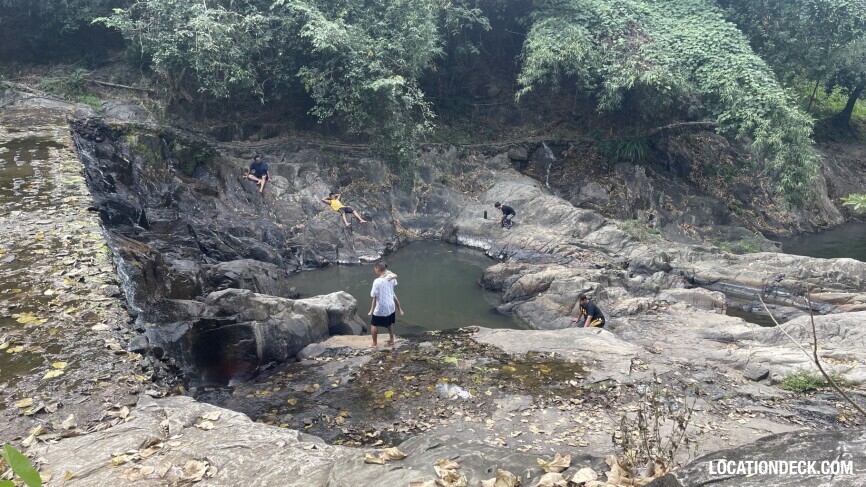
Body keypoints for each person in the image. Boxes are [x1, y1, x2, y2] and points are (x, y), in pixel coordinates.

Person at [368, 261, 404, 348]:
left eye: (375, 269)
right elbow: (392, 292)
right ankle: (392, 339)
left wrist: (371, 310)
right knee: (389, 323)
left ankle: (374, 344)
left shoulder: (377, 281)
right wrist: (399, 308)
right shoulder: (391, 278)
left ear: (377, 269)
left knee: (374, 324)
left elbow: (374, 297)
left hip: (381, 306)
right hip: (391, 305)